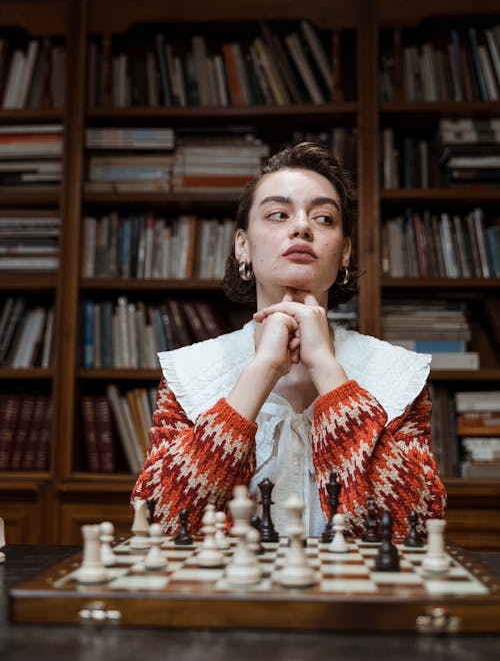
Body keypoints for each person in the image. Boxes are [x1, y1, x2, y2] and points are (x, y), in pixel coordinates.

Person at [132, 141, 446, 539]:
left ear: (345, 253)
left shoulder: (399, 375)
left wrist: (329, 372)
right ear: (242, 245)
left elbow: (412, 524)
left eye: (325, 218)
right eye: (278, 214)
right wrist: (260, 372)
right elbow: (158, 520)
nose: (301, 227)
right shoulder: (188, 373)